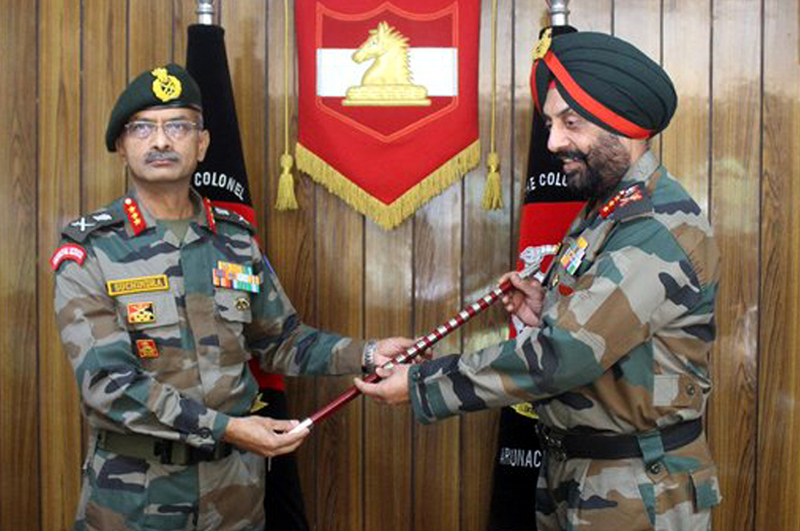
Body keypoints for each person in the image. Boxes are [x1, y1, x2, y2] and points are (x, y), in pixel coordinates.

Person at [356, 31, 721, 530]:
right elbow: (599, 327)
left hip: (638, 490)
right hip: (579, 473)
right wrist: (544, 305)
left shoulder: (655, 227)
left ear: (625, 125)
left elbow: (565, 354)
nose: (552, 142)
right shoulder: (603, 211)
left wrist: (422, 383)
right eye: (550, 123)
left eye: (570, 123)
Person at [51, 64, 412, 531]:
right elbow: (108, 385)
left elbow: (281, 339)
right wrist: (231, 428)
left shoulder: (235, 240)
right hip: (133, 496)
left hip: (234, 494)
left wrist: (365, 353)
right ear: (122, 146)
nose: (161, 141)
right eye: (143, 128)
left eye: (178, 126)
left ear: (201, 143)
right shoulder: (91, 249)